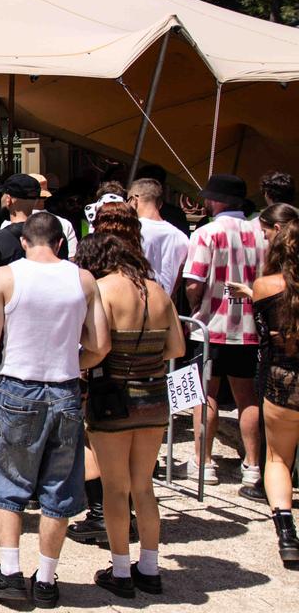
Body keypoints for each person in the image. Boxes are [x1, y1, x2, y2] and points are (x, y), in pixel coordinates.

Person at [0, 212, 110, 608]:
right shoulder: (83, 280)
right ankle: (46, 578)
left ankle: (10, 572)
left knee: (7, 480)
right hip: (64, 389)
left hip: (17, 387)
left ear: (24, 242)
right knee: (57, 487)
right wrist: (75, 363)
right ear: (60, 243)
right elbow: (100, 343)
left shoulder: (6, 277)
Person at [75, 234, 185, 597]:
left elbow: (98, 346)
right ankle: (150, 568)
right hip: (153, 396)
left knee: (115, 488)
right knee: (144, 486)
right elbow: (177, 347)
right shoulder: (158, 291)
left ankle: (121, 571)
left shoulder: (102, 289)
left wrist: (75, 365)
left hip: (113, 398)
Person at [180, 174, 267, 489]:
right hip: (249, 326)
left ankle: (204, 463)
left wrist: (195, 306)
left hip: (210, 325)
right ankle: (253, 465)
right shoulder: (262, 233)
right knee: (247, 397)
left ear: (215, 200)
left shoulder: (205, 233)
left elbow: (194, 282)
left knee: (206, 395)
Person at [249, 210, 299, 564]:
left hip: (282, 379)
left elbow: (263, 336)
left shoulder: (264, 287)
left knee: (277, 458)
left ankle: (286, 533)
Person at [127, 178, 189, 297]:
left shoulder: (131, 231)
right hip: (165, 305)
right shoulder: (182, 237)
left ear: (134, 200)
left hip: (135, 303)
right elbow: (178, 281)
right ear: (160, 204)